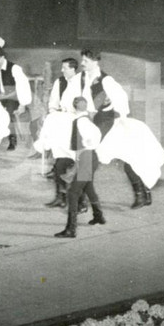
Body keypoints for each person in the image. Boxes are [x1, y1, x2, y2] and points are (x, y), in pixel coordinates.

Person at [81, 50, 164, 209]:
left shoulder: (106, 80)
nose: (82, 64)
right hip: (95, 121)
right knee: (119, 158)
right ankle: (143, 194)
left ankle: (141, 194)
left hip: (109, 122)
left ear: (94, 61)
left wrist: (119, 115)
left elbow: (121, 98)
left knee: (104, 156)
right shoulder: (85, 78)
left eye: (85, 61)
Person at [51, 98, 105, 238]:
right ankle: (99, 216)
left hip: (86, 158)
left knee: (73, 193)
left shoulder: (81, 121)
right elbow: (96, 134)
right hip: (89, 157)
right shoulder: (85, 119)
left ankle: (71, 229)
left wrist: (87, 147)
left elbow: (92, 137)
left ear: (74, 108)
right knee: (88, 187)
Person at [0, 47, 33, 150]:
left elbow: (23, 86)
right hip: (1, 97)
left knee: (8, 111)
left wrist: (22, 104)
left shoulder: (14, 68)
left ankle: (12, 139)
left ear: (2, 57)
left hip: (15, 98)